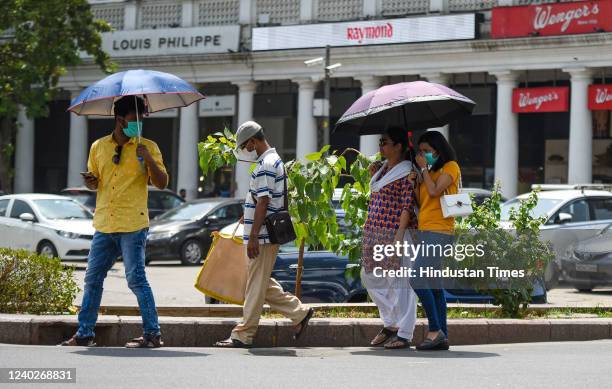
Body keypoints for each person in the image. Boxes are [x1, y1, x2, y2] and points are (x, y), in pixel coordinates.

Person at [61, 96, 168, 348]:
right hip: (104, 225)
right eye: (134, 119)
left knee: (136, 279)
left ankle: (153, 334)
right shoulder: (99, 147)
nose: (139, 124)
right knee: (92, 278)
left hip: (133, 224)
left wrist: (148, 160)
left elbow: (162, 182)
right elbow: (96, 179)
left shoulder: (148, 146)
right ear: (120, 119)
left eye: (142, 119)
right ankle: (85, 333)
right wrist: (91, 182)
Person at [214, 121, 313, 348]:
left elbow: (264, 201)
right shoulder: (271, 160)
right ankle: (299, 313)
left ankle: (244, 334)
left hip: (264, 236)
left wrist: (254, 236)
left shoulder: (267, 163)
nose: (245, 150)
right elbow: (260, 200)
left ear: (253, 140)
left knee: (255, 284)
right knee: (258, 282)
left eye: (245, 145)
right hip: (264, 234)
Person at [362, 127, 419, 349]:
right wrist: (374, 175)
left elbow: (407, 206)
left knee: (400, 282)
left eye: (384, 142)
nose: (380, 146)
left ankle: (404, 332)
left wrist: (398, 238)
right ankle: (391, 322)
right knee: (370, 276)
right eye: (380, 141)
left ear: (398, 146)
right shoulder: (383, 169)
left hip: (395, 234)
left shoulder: (407, 172)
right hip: (374, 234)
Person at [412, 130, 460, 351]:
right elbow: (422, 201)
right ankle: (443, 335)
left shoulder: (450, 167)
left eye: (427, 151)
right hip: (426, 232)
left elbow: (434, 192)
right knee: (435, 285)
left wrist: (423, 169)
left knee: (416, 278)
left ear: (438, 150)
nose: (423, 155)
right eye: (420, 151)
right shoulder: (428, 173)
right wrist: (416, 181)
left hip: (440, 232)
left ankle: (434, 329)